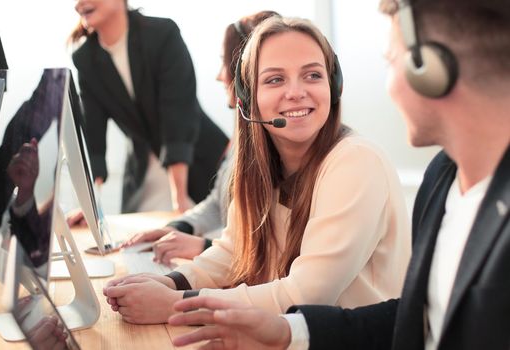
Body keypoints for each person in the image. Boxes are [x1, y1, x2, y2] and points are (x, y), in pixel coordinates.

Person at [168, 0, 510, 349]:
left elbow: (314, 291)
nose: (389, 84)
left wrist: (181, 304)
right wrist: (289, 332)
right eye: (274, 79)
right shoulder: (442, 179)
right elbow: (413, 317)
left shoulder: (360, 161)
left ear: (431, 71)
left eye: (391, 61)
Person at [103, 16, 411, 325]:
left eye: (312, 75)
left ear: (334, 86)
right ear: (248, 99)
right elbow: (234, 249)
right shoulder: (261, 166)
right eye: (275, 79)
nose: (296, 92)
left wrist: (174, 305)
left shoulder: (356, 162)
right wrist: (171, 281)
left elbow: (306, 295)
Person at [121, 10, 280, 264]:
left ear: (244, 73)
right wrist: (176, 227)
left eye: (224, 62)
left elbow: (273, 248)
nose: (220, 75)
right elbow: (217, 205)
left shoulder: (283, 148)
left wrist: (204, 246)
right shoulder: (243, 137)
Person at [70, 0, 229, 213]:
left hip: (197, 164)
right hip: (143, 174)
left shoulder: (163, 34)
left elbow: (178, 116)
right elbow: (93, 136)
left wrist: (179, 201)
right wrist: (90, 206)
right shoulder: (85, 59)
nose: (80, 3)